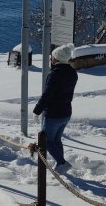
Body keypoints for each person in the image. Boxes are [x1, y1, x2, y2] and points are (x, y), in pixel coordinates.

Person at [33, 43, 78, 171]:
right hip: (66, 112)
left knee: (46, 141)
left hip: (54, 114)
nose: (50, 59)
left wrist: (37, 110)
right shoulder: (72, 73)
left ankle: (62, 163)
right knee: (56, 140)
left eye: (52, 57)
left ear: (56, 59)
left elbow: (47, 95)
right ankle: (60, 164)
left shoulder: (55, 74)